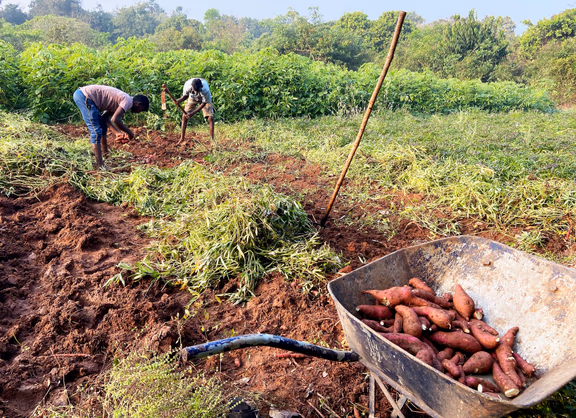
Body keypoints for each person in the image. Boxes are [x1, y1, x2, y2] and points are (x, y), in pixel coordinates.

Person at [73, 85, 149, 169]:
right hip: (84, 96)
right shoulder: (128, 101)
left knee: (102, 126)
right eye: (141, 110)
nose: (139, 112)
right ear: (139, 104)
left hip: (84, 96)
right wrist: (129, 132)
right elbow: (115, 119)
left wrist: (117, 133)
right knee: (96, 131)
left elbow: (105, 118)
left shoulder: (122, 101)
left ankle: (106, 156)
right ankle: (100, 166)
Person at [175, 77, 215, 143]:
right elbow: (185, 96)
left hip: (204, 100)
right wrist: (179, 100)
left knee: (210, 118)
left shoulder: (205, 90)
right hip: (192, 98)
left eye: (197, 90)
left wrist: (192, 113)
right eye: (194, 90)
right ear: (192, 87)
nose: (196, 92)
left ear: (201, 87)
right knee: (184, 116)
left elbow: (203, 103)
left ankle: (212, 140)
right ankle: (182, 138)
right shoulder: (187, 85)